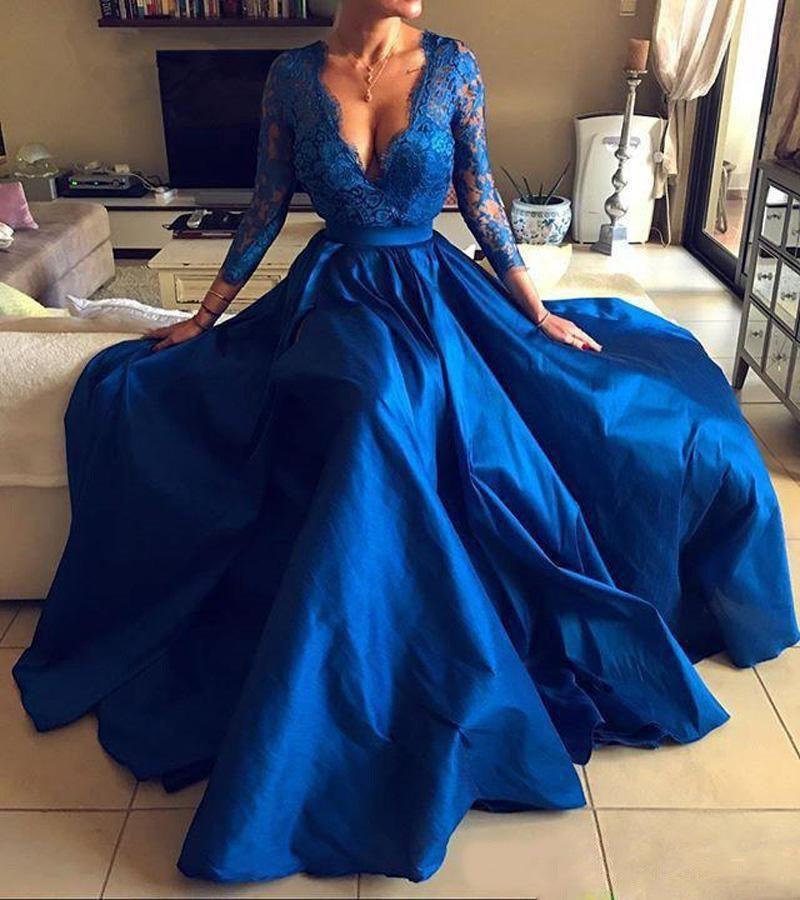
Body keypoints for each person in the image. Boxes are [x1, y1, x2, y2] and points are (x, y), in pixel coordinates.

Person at [14, 0, 798, 885]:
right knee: (368, 400)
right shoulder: (292, 77)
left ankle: (415, 657)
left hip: (434, 289)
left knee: (584, 412)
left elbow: (482, 198)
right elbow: (266, 206)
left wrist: (536, 311)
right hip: (336, 296)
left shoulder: (455, 66)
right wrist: (204, 316)